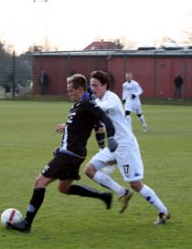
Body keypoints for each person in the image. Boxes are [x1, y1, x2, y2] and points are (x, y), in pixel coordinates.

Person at [7, 73, 118, 233]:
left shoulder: (87, 103)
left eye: (70, 90)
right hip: (73, 153)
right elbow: (80, 127)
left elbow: (104, 118)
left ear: (80, 89)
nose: (68, 93)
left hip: (69, 154)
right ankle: (103, 196)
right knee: (64, 188)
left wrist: (111, 137)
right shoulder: (79, 105)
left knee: (40, 182)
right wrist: (66, 127)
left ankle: (27, 224)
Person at [85, 70, 170, 225]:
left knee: (136, 184)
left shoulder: (111, 98)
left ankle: (163, 211)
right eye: (91, 86)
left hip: (125, 145)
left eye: (95, 85)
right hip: (113, 145)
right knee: (89, 170)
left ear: (105, 85)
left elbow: (99, 109)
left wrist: (87, 103)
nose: (92, 89)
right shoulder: (99, 100)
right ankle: (122, 193)